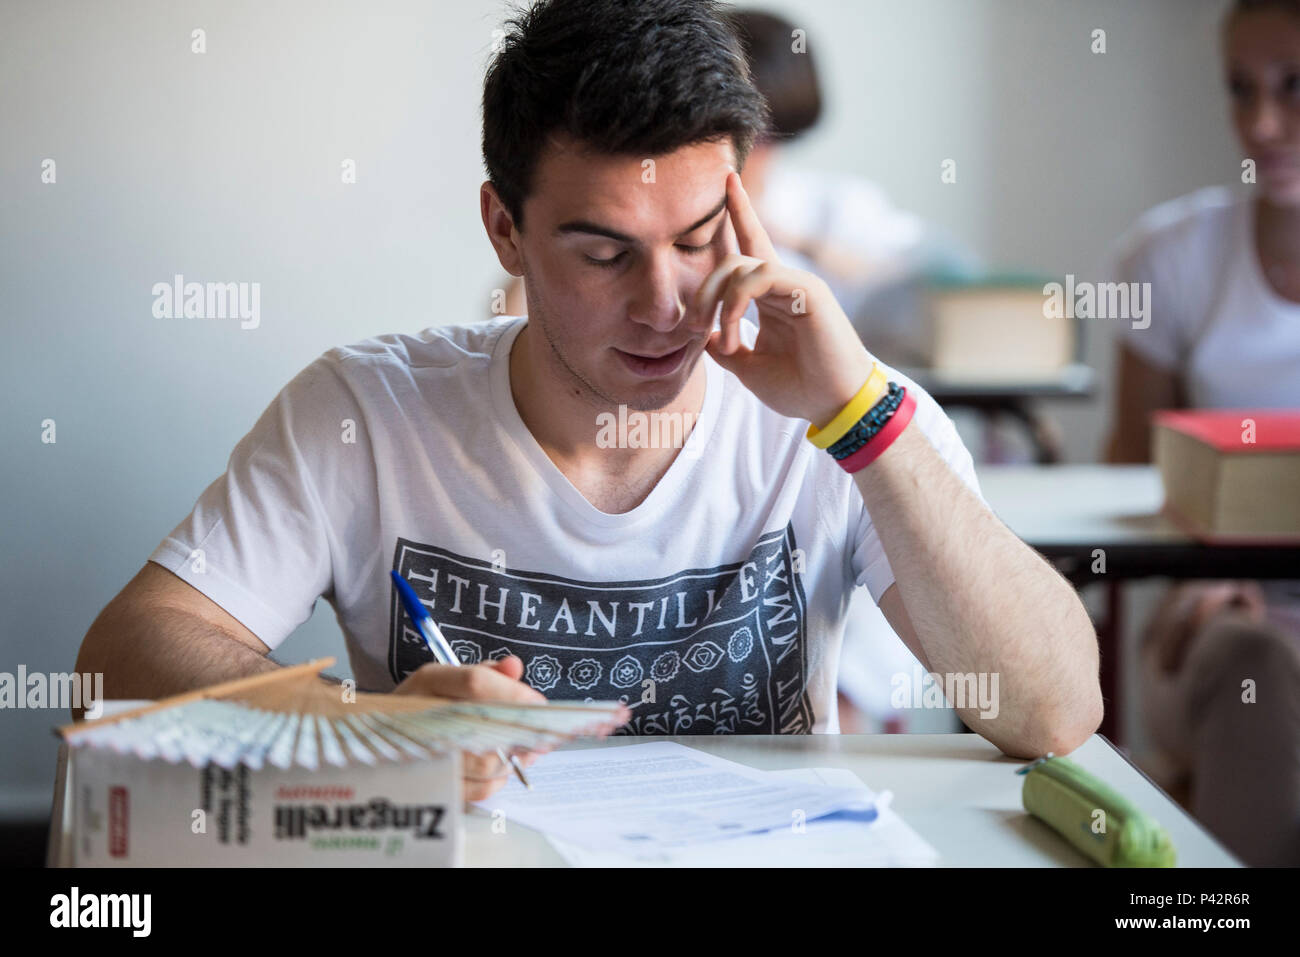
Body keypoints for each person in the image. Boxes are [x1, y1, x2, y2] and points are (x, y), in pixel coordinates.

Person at [77, 0, 1101, 804]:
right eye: (604, 253)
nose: (664, 305)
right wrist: (367, 725)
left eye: (699, 240)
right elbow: (119, 660)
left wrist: (863, 419)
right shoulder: (365, 411)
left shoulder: (838, 413)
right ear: (505, 232)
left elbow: (1053, 715)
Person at [1106, 0, 1300, 866]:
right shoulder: (1175, 255)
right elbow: (1123, 488)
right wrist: (1202, 576)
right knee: (1255, 660)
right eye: (1241, 89)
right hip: (1216, 616)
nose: (1262, 124)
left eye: (1295, 89)